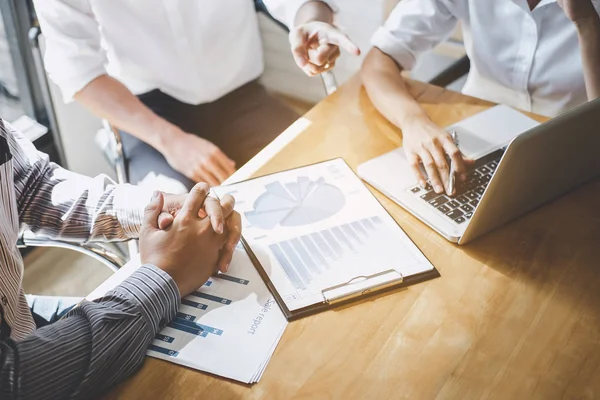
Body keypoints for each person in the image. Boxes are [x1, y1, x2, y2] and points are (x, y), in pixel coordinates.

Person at [0, 117, 242, 399]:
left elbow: (29, 183)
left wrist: (156, 210)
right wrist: (162, 276)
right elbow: (12, 381)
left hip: (19, 314)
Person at [34, 0, 360, 191]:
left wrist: (312, 22)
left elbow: (303, 3)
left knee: (327, 176)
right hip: (148, 118)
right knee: (182, 230)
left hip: (242, 94)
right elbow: (77, 70)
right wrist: (173, 142)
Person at [361, 0, 600, 196]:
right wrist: (413, 120)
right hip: (476, 131)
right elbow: (380, 59)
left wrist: (587, 22)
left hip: (570, 143)